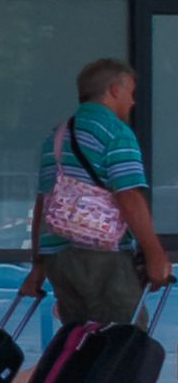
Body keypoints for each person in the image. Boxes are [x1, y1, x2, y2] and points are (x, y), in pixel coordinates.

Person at [34, 57, 166, 346]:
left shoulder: (56, 137)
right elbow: (128, 195)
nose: (132, 102)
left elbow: (43, 205)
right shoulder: (115, 132)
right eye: (130, 92)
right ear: (114, 90)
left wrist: (38, 267)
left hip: (61, 260)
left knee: (79, 345)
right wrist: (155, 254)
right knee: (122, 346)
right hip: (104, 256)